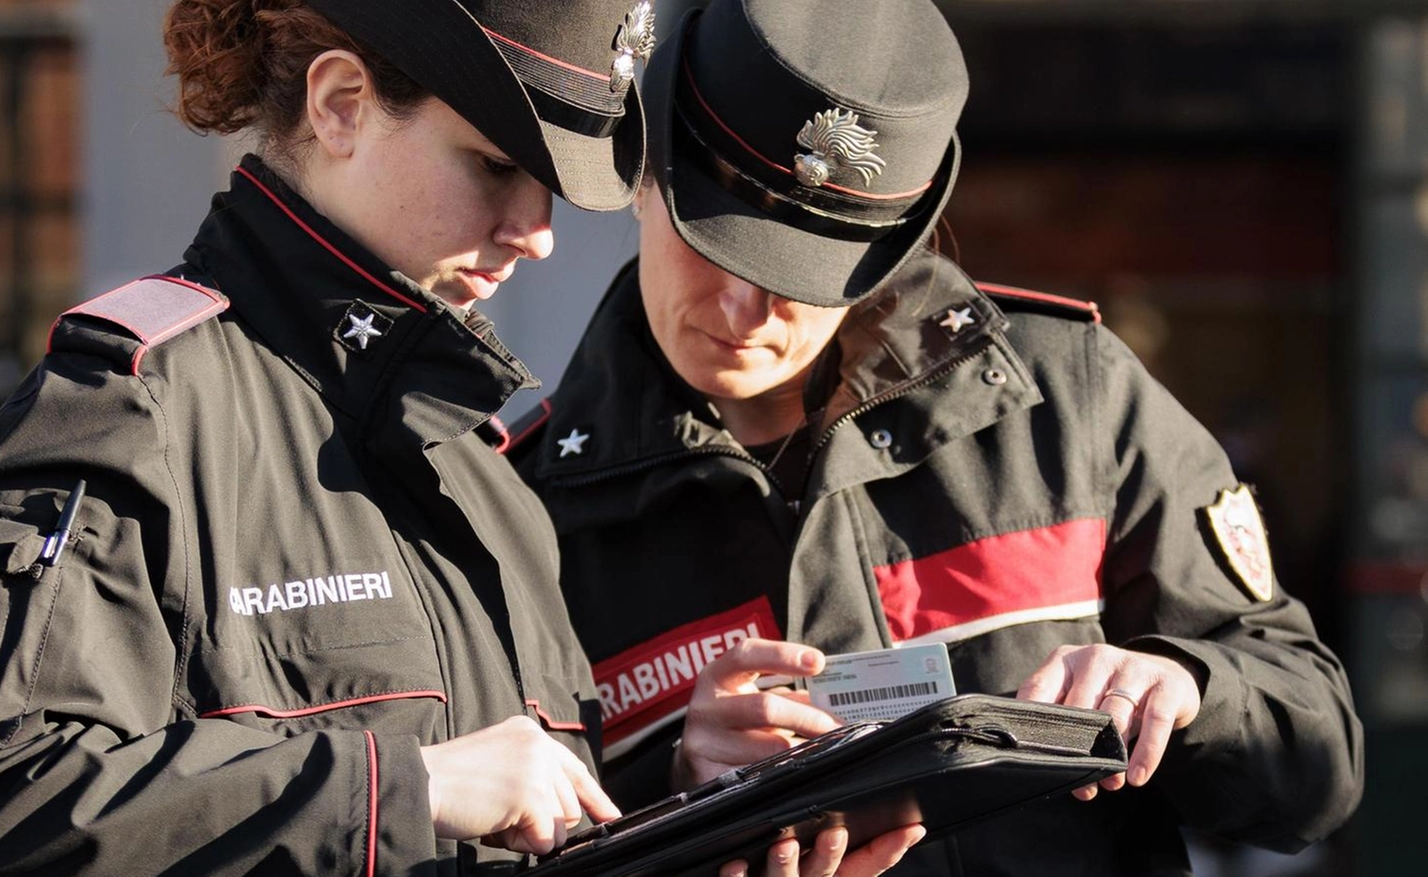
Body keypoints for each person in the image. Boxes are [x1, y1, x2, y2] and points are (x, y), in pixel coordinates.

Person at [512, 0, 1366, 873]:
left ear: (891, 250)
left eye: (797, 276)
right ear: (644, 177)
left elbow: (1318, 769)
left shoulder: (1069, 402)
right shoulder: (524, 515)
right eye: (713, 243)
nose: (743, 313)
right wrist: (679, 791)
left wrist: (1189, 690)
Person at [0, 1, 663, 873]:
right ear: (339, 105)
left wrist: (679, 772)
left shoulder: (484, 479)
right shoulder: (133, 406)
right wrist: (402, 787)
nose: (539, 234)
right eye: (493, 166)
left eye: (550, 188)